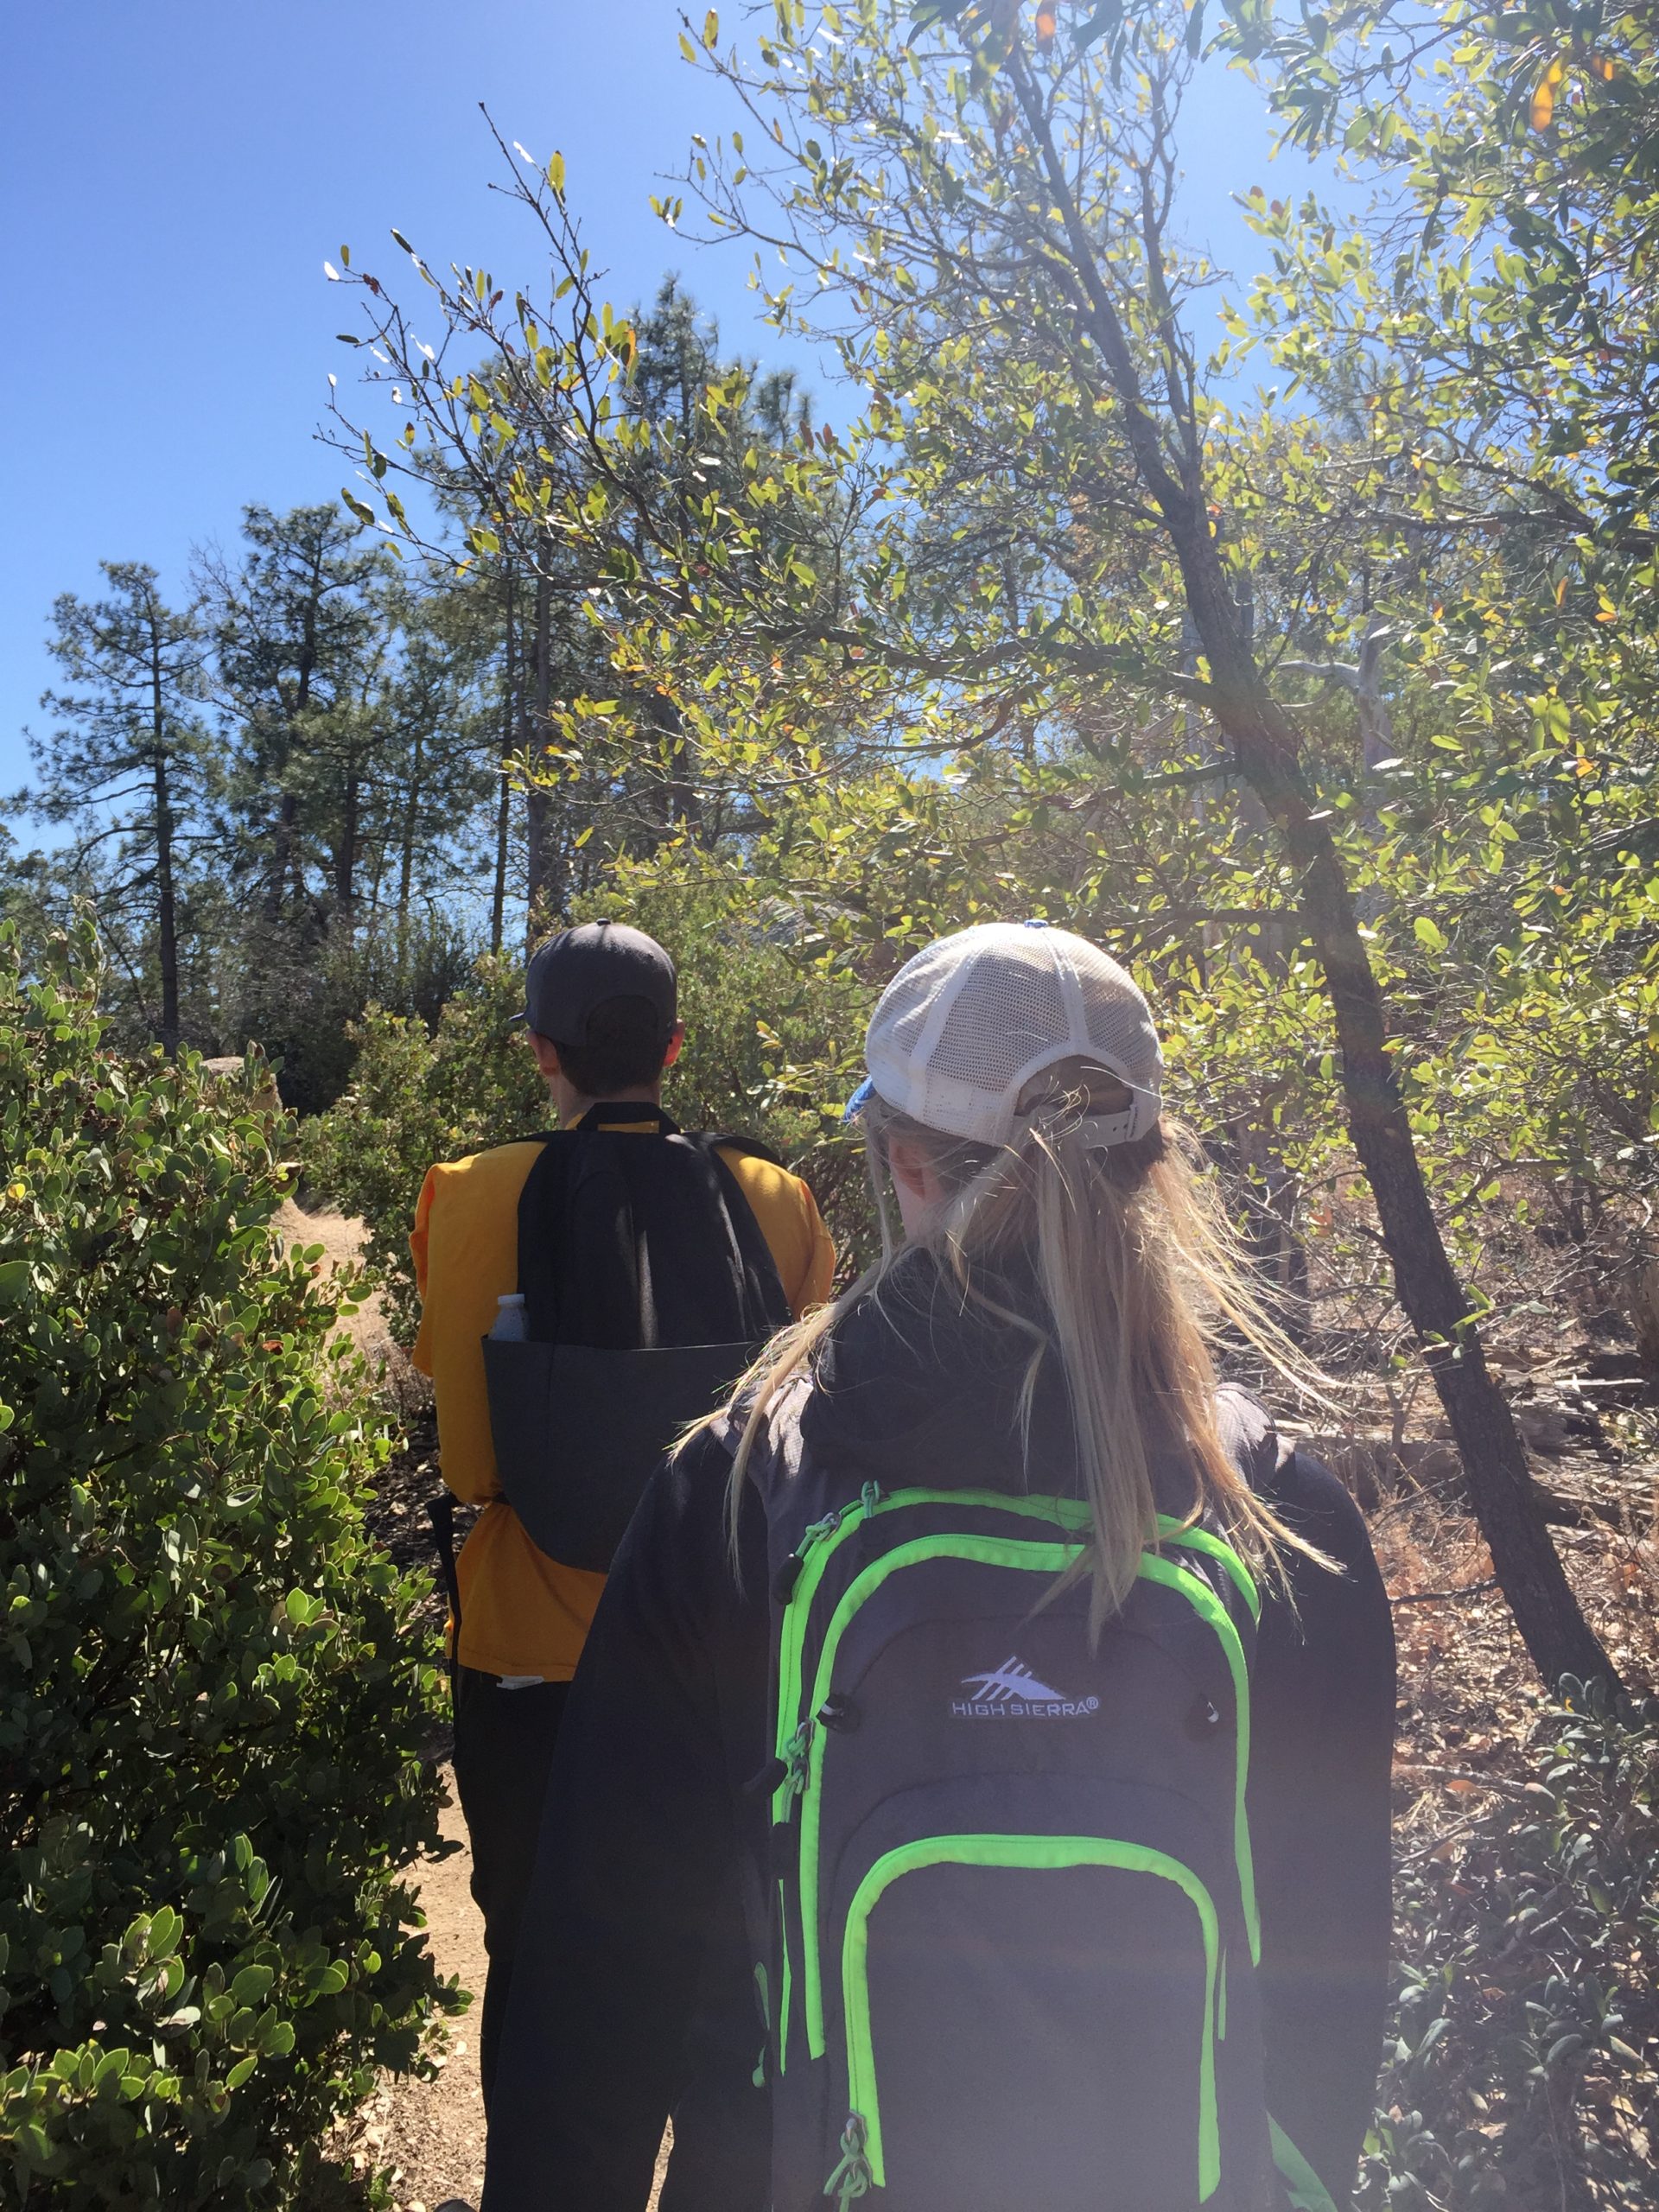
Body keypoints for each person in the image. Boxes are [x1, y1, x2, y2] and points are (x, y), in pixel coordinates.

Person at [484, 920, 1395, 2212]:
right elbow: (1329, 1980)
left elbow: (600, 1983)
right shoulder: (1282, 1511)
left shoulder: (741, 1492)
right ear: (1151, 1162)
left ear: (898, 1159)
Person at [410, 919, 835, 2111]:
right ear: (675, 1044)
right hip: (722, 1658)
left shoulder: (469, 1190)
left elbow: (472, 1465)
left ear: (538, 1050)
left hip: (526, 1660)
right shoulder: (778, 1198)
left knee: (540, 1962)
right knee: (718, 1974)